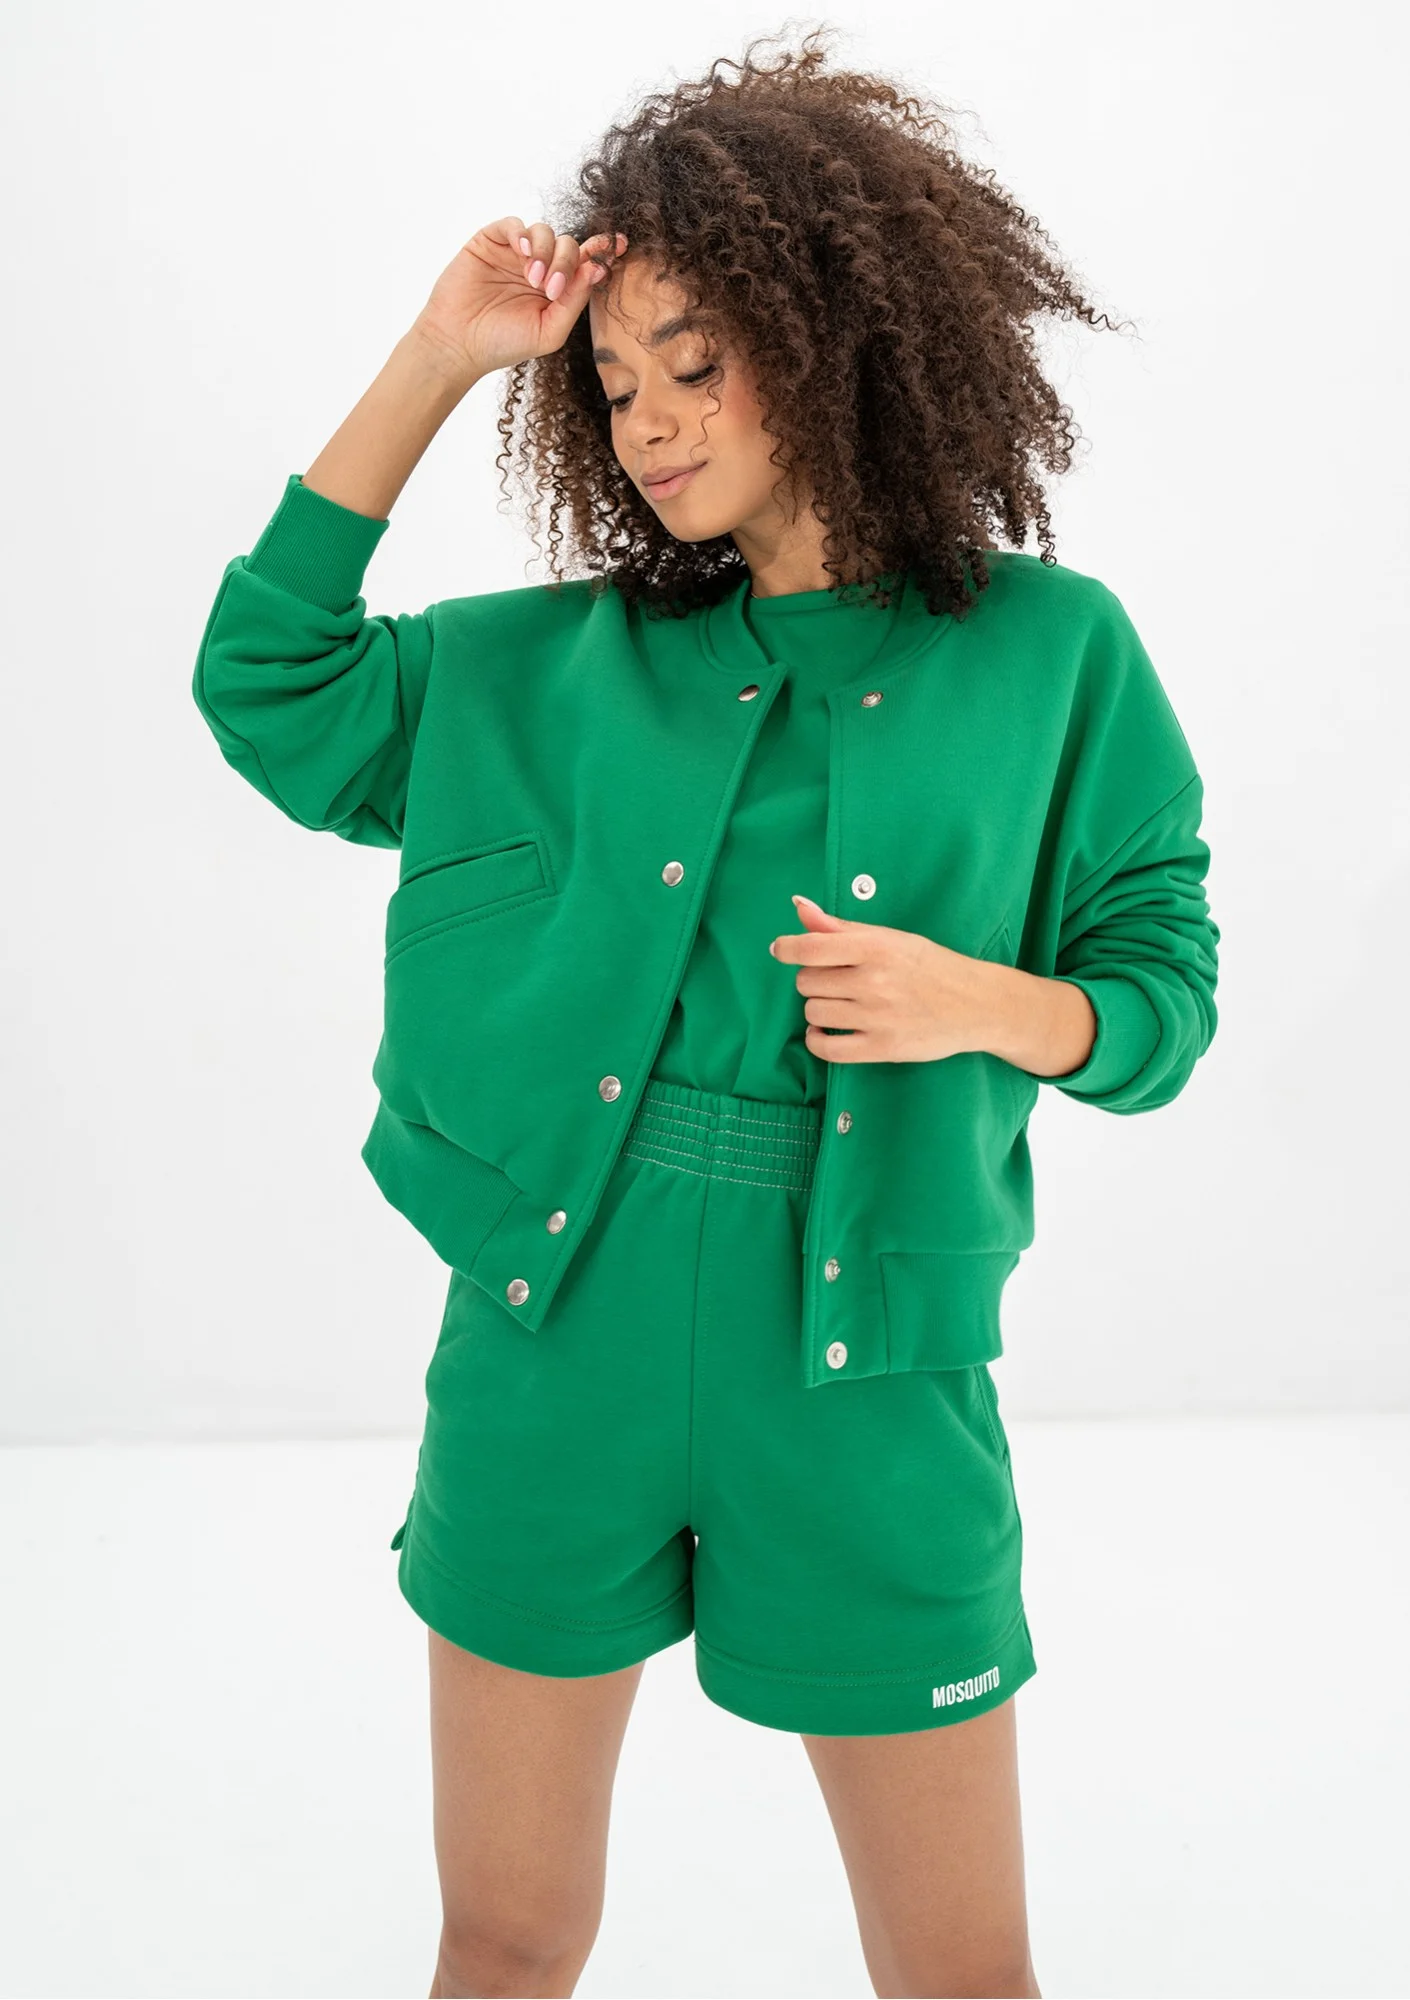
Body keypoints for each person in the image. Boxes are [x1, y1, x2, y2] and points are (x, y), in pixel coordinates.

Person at [191, 29, 1219, 1999]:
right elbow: (270, 684)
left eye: (695, 361)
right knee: (504, 1940)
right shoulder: (549, 665)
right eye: (613, 384)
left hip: (869, 1377)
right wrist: (437, 358)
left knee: (963, 1971)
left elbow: (1162, 995)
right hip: (553, 1332)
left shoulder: (1055, 653)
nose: (649, 424)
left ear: (834, 340)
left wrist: (981, 1003)